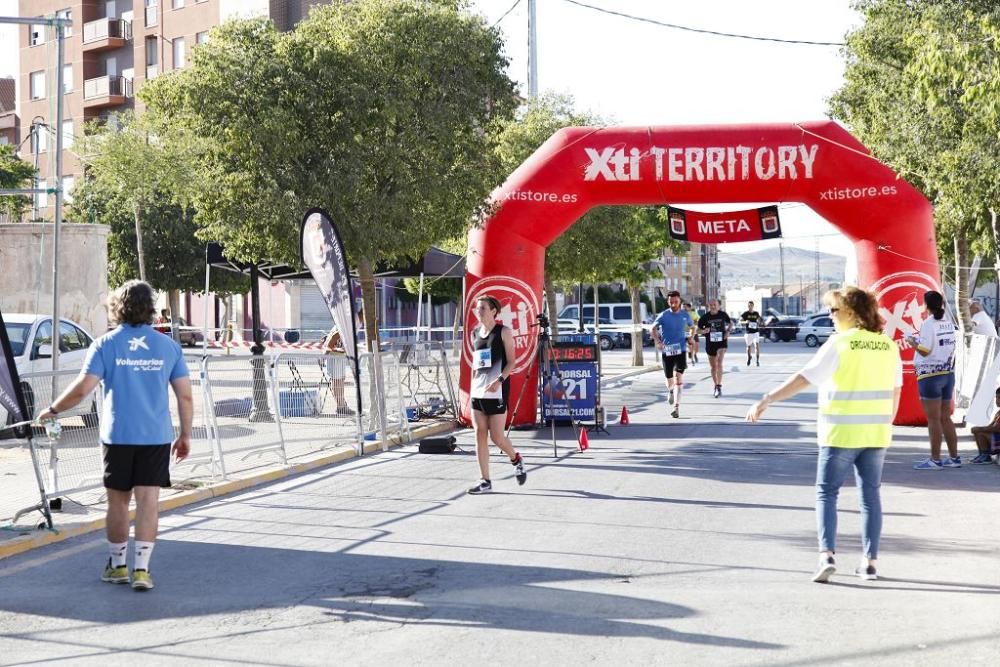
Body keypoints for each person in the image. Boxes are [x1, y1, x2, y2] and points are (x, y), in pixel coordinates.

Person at [38, 280, 192, 592]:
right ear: (150, 308)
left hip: (118, 435)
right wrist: (185, 434)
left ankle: (118, 565)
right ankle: (142, 571)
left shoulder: (105, 345)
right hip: (156, 436)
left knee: (118, 503)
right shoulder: (168, 347)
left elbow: (83, 389)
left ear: (117, 308)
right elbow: (185, 397)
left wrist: (52, 410)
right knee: (148, 502)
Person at [746, 287, 902, 583]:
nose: (830, 316)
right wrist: (885, 423)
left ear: (852, 313)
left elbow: (804, 378)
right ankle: (870, 564)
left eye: (834, 310)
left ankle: (826, 556)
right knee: (870, 497)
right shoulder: (888, 346)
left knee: (827, 493)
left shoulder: (839, 343)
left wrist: (767, 398)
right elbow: (896, 391)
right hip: (876, 433)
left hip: (840, 431)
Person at [467, 295, 527, 494]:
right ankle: (485, 480)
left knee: (497, 437)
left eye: (483, 308)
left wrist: (499, 380)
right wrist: (471, 390)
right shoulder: (474, 333)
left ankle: (516, 458)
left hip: (497, 391)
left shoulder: (504, 332)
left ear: (494, 311)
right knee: (479, 434)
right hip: (478, 392)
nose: (479, 311)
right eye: (477, 308)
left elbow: (512, 362)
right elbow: (476, 366)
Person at [907, 290, 960, 470]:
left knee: (933, 419)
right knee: (946, 417)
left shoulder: (928, 323)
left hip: (929, 375)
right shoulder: (948, 321)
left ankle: (935, 459)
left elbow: (925, 350)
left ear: (925, 305)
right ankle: (954, 458)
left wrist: (912, 342)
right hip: (947, 372)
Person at [652, 290, 693, 418]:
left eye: (675, 301)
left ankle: (676, 407)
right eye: (671, 302)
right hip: (667, 350)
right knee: (669, 380)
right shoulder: (663, 315)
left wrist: (691, 337)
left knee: (678, 378)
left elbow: (692, 327)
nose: (673, 304)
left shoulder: (685, 315)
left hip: (681, 350)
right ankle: (670, 390)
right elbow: (652, 328)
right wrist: (658, 341)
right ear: (668, 301)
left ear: (679, 301)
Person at [697, 299, 732, 398]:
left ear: (719, 306)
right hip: (710, 343)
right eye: (711, 305)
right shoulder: (705, 317)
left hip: (722, 342)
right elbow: (697, 330)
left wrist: (728, 331)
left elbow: (730, 323)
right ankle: (716, 385)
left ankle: (719, 385)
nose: (713, 306)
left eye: (714, 305)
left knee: (719, 362)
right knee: (713, 367)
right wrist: (704, 331)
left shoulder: (723, 315)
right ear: (708, 306)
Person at [322, 327, 356, 416]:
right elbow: (334, 337)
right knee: (337, 381)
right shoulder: (342, 325)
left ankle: (342, 405)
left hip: (339, 356)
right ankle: (341, 405)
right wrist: (324, 355)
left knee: (339, 381)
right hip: (335, 356)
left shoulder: (343, 323)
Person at [969, 387, 1000, 465]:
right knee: (978, 432)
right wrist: (980, 429)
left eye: (999, 398)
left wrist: (981, 429)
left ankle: (986, 456)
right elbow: (991, 426)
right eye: (996, 398)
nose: (997, 400)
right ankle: (982, 454)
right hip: (997, 439)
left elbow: (997, 429)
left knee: (981, 433)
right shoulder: (998, 413)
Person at [741, 301, 763, 367]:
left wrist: (759, 321)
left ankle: (757, 360)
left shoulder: (756, 313)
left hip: (755, 332)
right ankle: (749, 357)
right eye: (749, 305)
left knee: (757, 345)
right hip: (748, 332)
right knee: (748, 347)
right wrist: (746, 322)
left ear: (753, 306)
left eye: (751, 305)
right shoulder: (745, 313)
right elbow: (741, 321)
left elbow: (760, 321)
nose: (750, 307)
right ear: (748, 306)